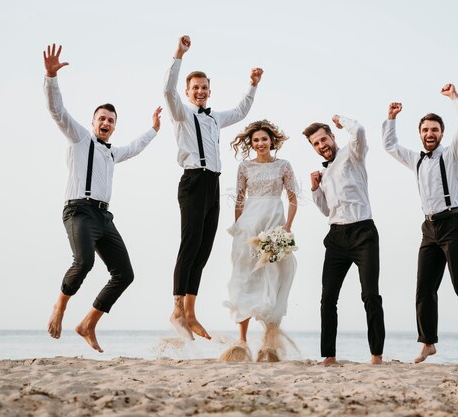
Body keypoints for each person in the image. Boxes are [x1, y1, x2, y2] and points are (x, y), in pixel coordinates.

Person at [43, 44, 162, 352]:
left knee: (125, 274)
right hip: (78, 212)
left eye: (111, 121)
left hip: (103, 218)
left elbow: (134, 148)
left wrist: (153, 129)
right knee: (84, 262)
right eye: (102, 119)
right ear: (93, 121)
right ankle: (60, 305)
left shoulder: (112, 153)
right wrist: (51, 77)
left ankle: (88, 324)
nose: (106, 123)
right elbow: (57, 111)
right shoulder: (80, 138)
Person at [382, 83, 458, 363]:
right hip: (429, 228)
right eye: (425, 130)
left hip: (453, 223)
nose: (429, 134)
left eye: (434, 130)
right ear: (420, 134)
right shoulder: (416, 160)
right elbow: (389, 145)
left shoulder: (451, 154)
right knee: (424, 289)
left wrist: (454, 98)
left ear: (442, 133)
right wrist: (392, 117)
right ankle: (428, 343)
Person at [163, 35, 263, 340]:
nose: (200, 91)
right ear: (188, 92)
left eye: (204, 87)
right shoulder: (182, 112)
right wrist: (178, 55)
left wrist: (253, 84)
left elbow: (242, 111)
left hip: (213, 183)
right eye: (195, 88)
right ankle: (178, 310)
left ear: (209, 90)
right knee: (190, 244)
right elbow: (167, 90)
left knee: (204, 249)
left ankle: (190, 313)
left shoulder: (214, 118)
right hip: (193, 180)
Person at [304, 115, 385, 366]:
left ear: (332, 137)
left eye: (323, 139)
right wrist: (315, 188)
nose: (321, 146)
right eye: (316, 144)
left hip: (363, 233)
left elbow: (359, 129)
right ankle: (329, 356)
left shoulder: (353, 153)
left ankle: (376, 356)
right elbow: (327, 211)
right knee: (328, 298)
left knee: (370, 295)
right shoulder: (324, 174)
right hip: (337, 237)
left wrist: (342, 121)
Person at [220, 120, 298, 362]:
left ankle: (269, 342)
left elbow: (293, 199)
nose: (260, 143)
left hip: (274, 227)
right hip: (248, 230)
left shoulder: (284, 166)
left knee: (275, 279)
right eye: (255, 140)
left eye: (264, 139)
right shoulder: (244, 167)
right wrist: (237, 229)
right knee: (244, 278)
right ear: (251, 144)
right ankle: (242, 341)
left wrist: (287, 228)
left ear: (271, 141)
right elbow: (240, 201)